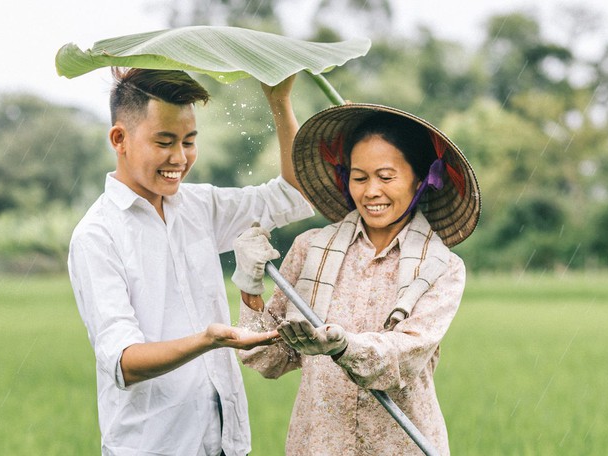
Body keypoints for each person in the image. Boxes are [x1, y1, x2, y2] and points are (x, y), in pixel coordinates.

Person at [67, 67, 313, 456]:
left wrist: (279, 102)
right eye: (164, 142)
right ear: (120, 139)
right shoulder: (97, 236)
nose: (179, 158)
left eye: (189, 141)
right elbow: (123, 361)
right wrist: (208, 340)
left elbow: (295, 195)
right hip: (154, 446)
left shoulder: (199, 206)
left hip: (226, 442)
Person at [233, 103, 481, 455]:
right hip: (319, 443)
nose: (371, 192)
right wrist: (250, 286)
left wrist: (344, 346)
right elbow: (271, 358)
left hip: (400, 445)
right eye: (360, 177)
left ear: (420, 179)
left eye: (386, 176)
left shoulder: (441, 266)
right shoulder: (310, 249)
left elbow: (406, 356)